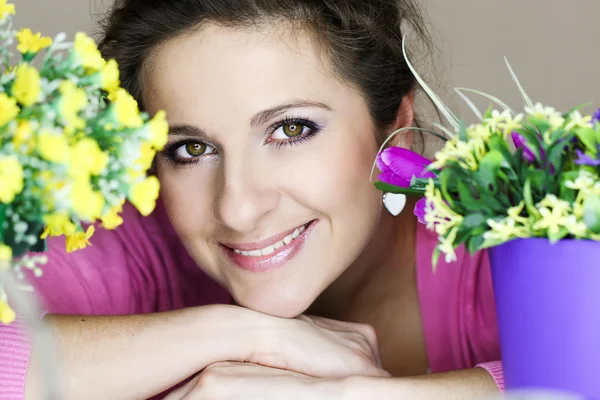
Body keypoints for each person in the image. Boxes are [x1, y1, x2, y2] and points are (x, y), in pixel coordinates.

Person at [0, 0, 503, 398]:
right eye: (191, 149)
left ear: (398, 125)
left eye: (290, 129)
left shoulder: (511, 243)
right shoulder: (137, 239)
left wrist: (353, 396)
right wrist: (239, 335)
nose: (237, 208)